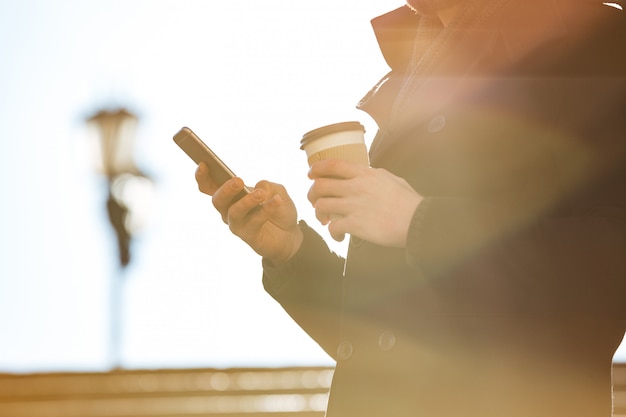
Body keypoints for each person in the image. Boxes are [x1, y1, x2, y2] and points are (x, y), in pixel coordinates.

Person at [195, 1, 626, 416]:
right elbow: (386, 343)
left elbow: (608, 273)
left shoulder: (595, 40)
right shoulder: (417, 68)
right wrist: (291, 252)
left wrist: (419, 222)